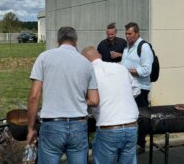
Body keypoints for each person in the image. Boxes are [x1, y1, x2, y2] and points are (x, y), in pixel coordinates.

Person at [27, 26, 99, 164]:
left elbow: (34, 96)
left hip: (52, 124)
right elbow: (94, 99)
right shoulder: (86, 64)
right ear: (76, 41)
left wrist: (30, 128)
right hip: (78, 123)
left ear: (58, 40)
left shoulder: (44, 57)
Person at [82, 46, 140, 164]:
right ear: (99, 55)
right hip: (131, 125)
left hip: (108, 127)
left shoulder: (88, 73)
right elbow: (137, 89)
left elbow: (85, 98)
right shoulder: (120, 68)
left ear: (84, 61)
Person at [121, 22, 153, 153]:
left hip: (141, 88)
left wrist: (126, 71)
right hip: (129, 87)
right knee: (130, 116)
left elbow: (146, 70)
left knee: (141, 117)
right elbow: (124, 63)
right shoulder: (127, 47)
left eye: (130, 33)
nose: (127, 36)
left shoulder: (144, 47)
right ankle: (130, 143)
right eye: (126, 34)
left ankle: (141, 144)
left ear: (137, 33)